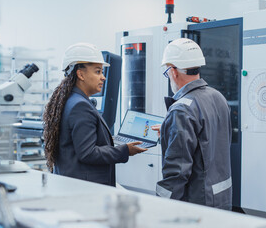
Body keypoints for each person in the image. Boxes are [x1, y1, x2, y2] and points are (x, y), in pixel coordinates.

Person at [43, 42, 147, 186]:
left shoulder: (70, 100)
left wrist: (104, 138)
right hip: (84, 187)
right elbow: (88, 153)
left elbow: (76, 142)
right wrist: (124, 150)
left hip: (71, 182)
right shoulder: (80, 106)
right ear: (81, 74)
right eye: (98, 71)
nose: (103, 77)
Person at [151, 38, 233, 210]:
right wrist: (170, 130)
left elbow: (176, 173)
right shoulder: (218, 97)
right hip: (222, 199)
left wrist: (159, 207)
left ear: (173, 71)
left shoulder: (181, 110)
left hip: (196, 204)